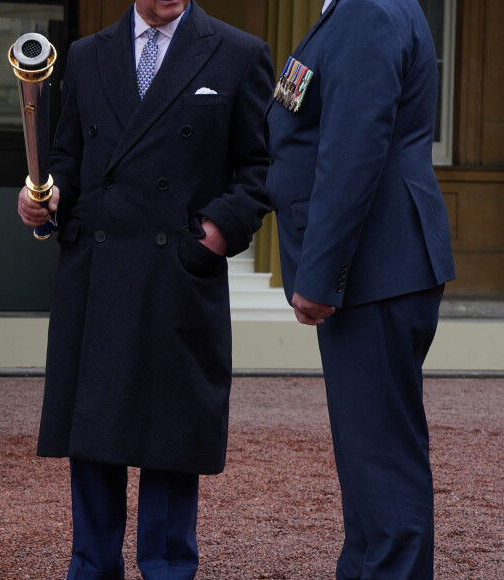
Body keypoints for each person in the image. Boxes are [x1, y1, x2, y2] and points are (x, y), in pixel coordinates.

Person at [17, 1, 274, 578]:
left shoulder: (238, 54)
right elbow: (66, 158)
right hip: (99, 272)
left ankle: (166, 571)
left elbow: (259, 169)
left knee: (170, 440)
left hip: (175, 275)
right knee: (95, 441)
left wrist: (211, 233)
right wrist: (46, 199)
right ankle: (91, 568)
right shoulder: (85, 57)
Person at [265, 0, 455, 578]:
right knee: (370, 452)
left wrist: (321, 276)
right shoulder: (356, 8)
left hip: (374, 264)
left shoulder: (368, 9)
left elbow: (353, 150)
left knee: (380, 458)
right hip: (380, 263)